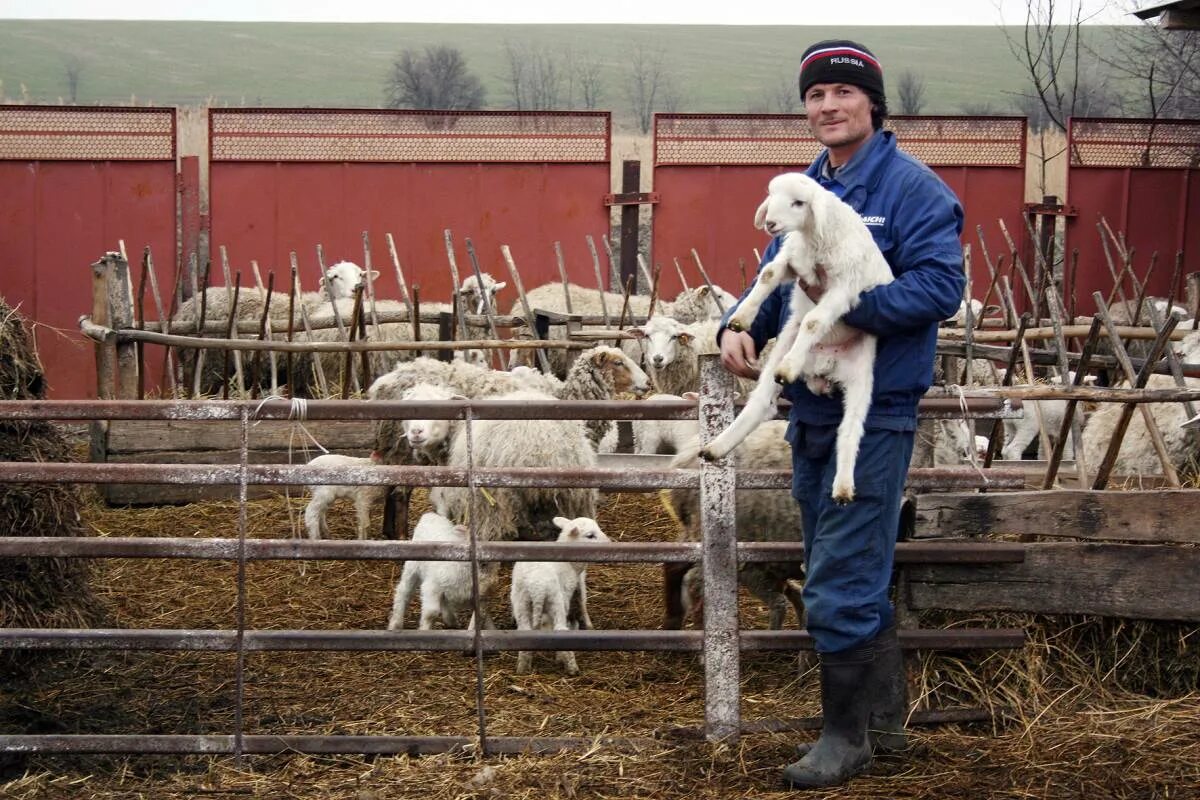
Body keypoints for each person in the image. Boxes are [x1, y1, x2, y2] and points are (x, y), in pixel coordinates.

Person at [716, 40, 965, 790]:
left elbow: (937, 290)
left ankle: (844, 738)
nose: (827, 106)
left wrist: (843, 316)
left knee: (838, 578)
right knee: (845, 561)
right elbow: (781, 266)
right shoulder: (806, 187)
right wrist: (741, 324)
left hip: (876, 405)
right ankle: (883, 727)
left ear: (872, 103)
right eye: (815, 95)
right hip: (810, 408)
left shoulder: (914, 190)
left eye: (842, 93)